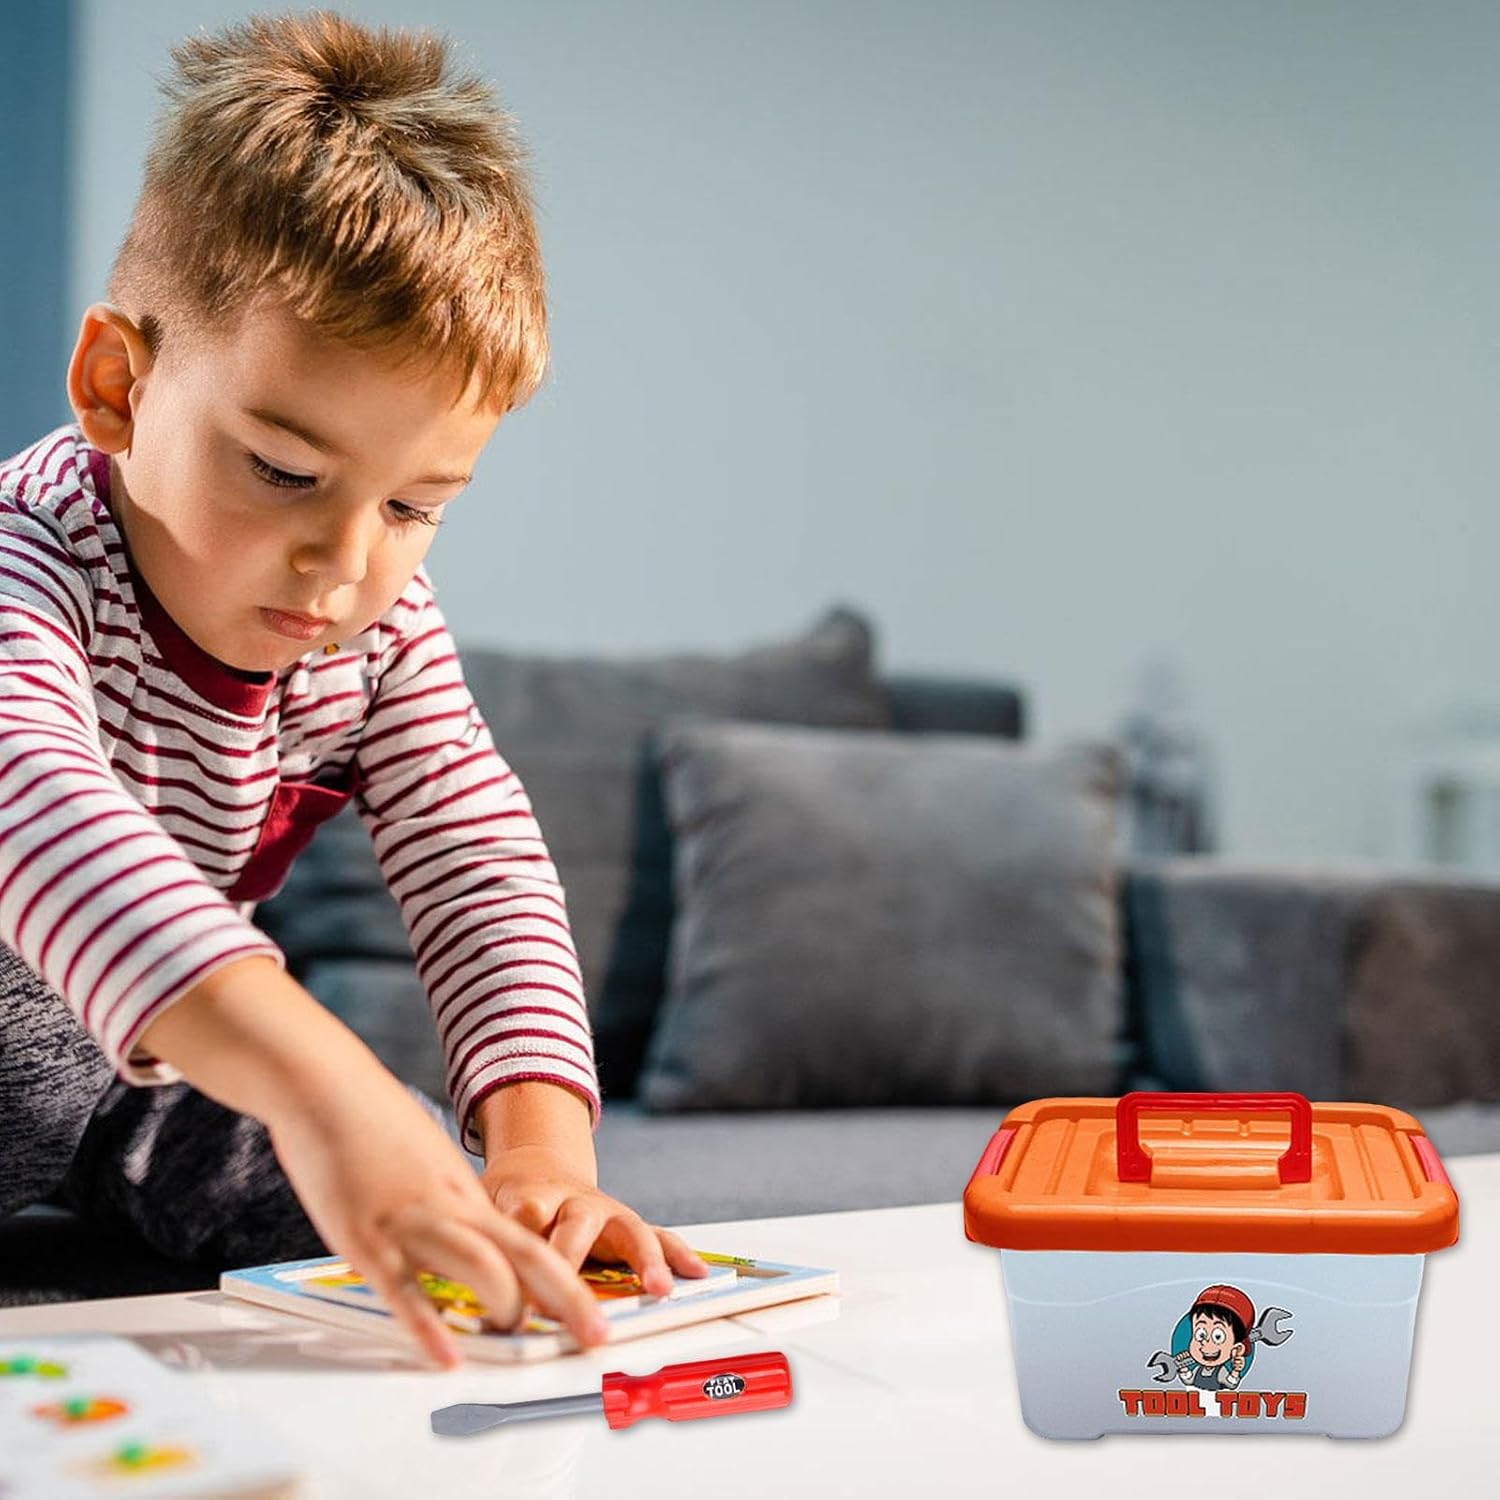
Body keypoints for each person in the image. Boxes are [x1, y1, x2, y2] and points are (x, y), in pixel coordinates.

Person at [0, 9, 707, 1367]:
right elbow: (41, 813)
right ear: (118, 386)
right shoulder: (26, 564)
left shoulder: (372, 631)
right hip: (60, 996)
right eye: (284, 471)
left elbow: (476, 854)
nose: (343, 562)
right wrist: (329, 1088)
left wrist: (538, 1156)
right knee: (326, 1096)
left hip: (130, 1078)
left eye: (414, 505)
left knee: (419, 1218)